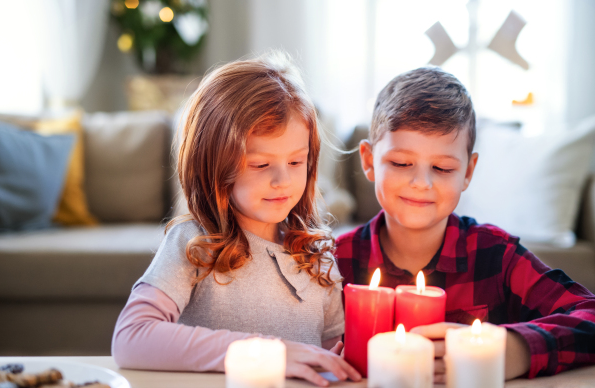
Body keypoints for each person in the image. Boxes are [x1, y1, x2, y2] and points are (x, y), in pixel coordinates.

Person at [112, 51, 361, 387]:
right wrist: (268, 353)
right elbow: (131, 337)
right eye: (260, 164)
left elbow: (333, 354)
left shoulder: (318, 253)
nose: (282, 181)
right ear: (214, 165)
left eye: (296, 162)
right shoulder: (196, 243)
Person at [335, 66, 595, 383]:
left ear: (468, 172)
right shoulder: (334, 262)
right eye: (401, 163)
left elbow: (589, 316)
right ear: (368, 160)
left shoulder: (497, 256)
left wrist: (512, 349)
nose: (421, 183)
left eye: (443, 168)